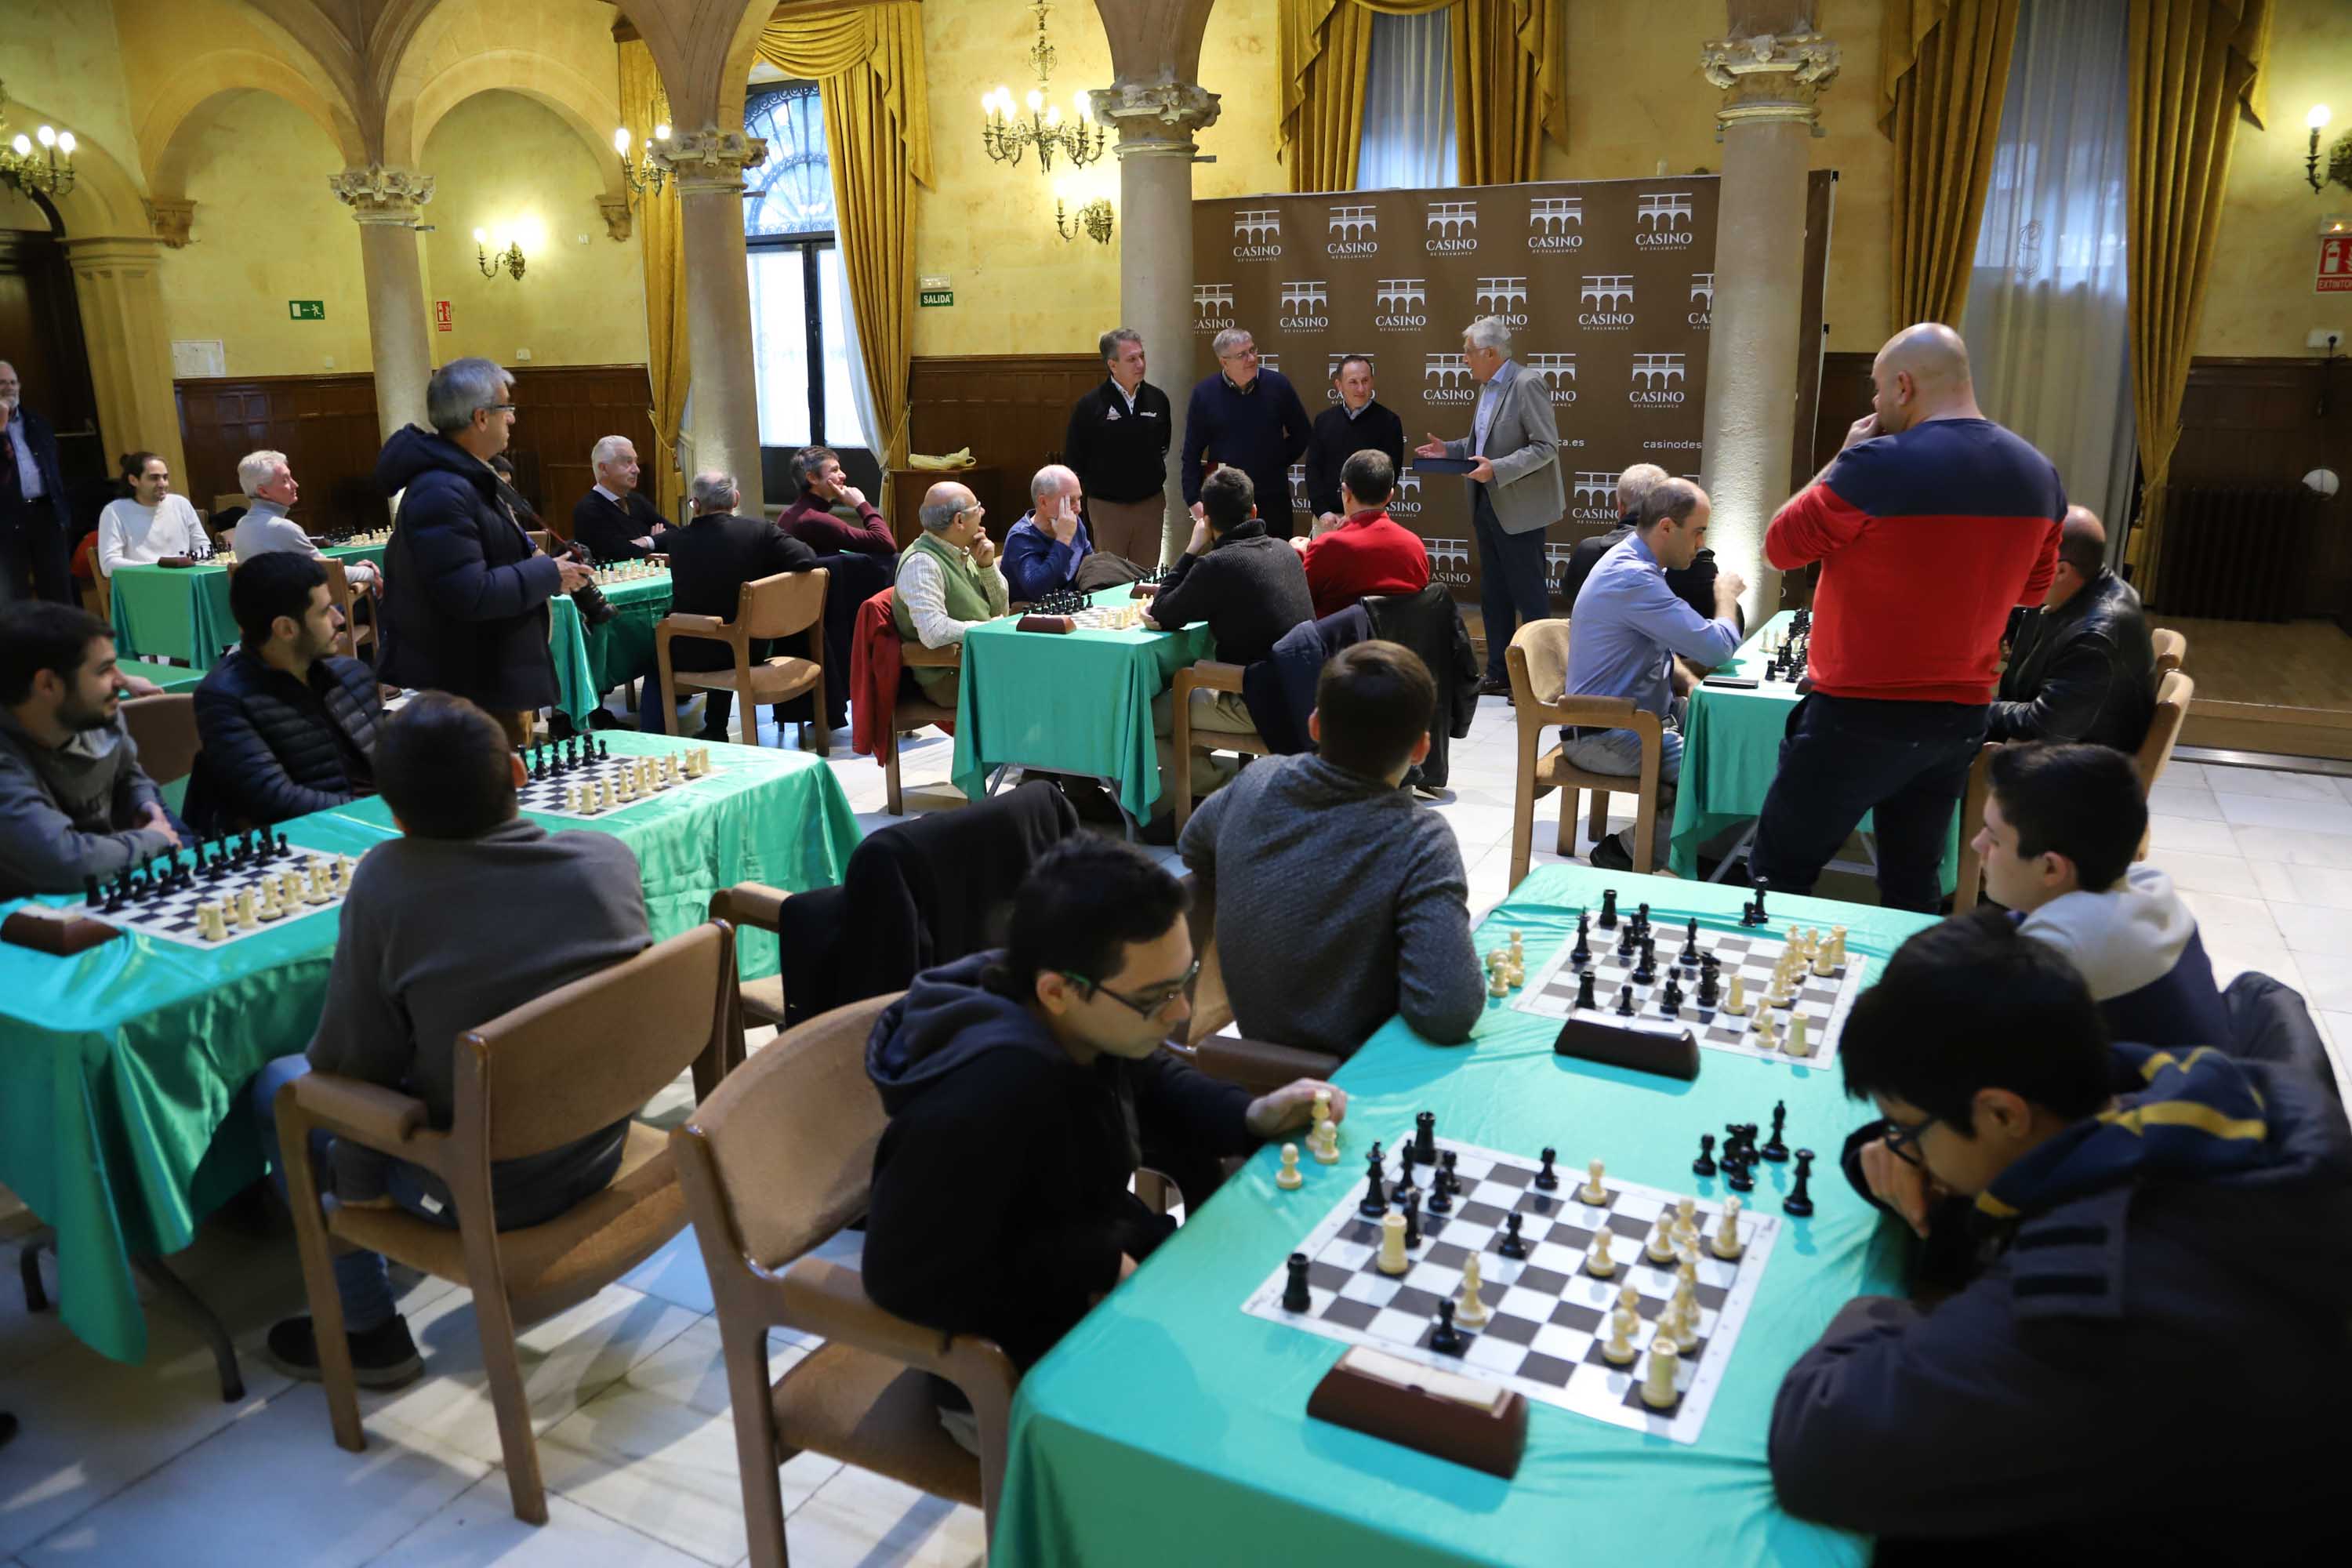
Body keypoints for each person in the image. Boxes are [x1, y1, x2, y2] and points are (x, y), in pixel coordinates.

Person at [1768, 914, 2352, 1561]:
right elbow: (1993, 1172)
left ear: (2001, 1113)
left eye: (1909, 1130)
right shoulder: (2191, 1095)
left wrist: (1875, 1309)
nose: (1905, 1151)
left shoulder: (2086, 1310)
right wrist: (1915, 1154)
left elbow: (1819, 1442)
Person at [250, 693, 652, 1387]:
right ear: (520, 776)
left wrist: (363, 1189)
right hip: (601, 1144)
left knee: (279, 1087)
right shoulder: (607, 858)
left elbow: (346, 1069)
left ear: (395, 816)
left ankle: (368, 1330)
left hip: (483, 1182)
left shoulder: (388, 881)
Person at [862, 834, 1344, 1392]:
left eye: (1184, 981)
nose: (1182, 1012)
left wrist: (1250, 1115)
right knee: (1259, 1401)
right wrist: (1090, 1266)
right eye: (1156, 997)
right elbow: (900, 1275)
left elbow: (1148, 1077)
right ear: (1058, 991)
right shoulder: (988, 1093)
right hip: (1012, 1370)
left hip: (1096, 1271)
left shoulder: (1069, 1016)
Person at [1749, 323, 2063, 913]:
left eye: (1875, 390)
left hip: (1856, 713)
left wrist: (1840, 458)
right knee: (1911, 880)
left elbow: (1781, 545)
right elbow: (2033, 590)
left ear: (1902, 385)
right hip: (1958, 716)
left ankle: (1775, 1000)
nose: (1874, 405)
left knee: (1779, 874)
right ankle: (1906, 996)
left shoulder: (1874, 464)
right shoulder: (2039, 474)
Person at [1180, 641, 1483, 1058]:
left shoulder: (1255, 782)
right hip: (1361, 1081)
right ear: (1421, 749)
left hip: (1252, 1058)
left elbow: (1193, 848)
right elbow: (1449, 1013)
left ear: (1316, 725)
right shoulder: (1421, 839)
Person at [376, 358, 593, 751]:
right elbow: (468, 593)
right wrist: (547, 574)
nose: (512, 418)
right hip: (473, 683)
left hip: (491, 673)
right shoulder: (441, 490)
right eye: (506, 408)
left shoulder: (467, 479)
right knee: (493, 799)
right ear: (480, 417)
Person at [1973, 741, 2227, 1048]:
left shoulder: (2060, 946)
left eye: (1994, 838)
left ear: (2051, 868)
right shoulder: (2146, 883)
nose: (1977, 844)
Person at [1561, 478, 1744, 869]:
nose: (1700, 544)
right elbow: (1716, 646)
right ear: (1666, 527)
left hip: (1641, 717)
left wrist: (1690, 684)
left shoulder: (1640, 564)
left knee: (1736, 742)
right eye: (1697, 533)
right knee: (1718, 771)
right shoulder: (1634, 577)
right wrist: (1724, 598)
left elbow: (1659, 648)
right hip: (1606, 732)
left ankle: (1704, 851)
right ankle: (1627, 851)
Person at [183, 552, 383, 835]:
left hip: (382, 825)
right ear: (286, 629)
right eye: (325, 611)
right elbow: (273, 800)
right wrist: (377, 814)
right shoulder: (226, 697)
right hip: (312, 843)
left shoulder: (353, 675)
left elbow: (391, 765)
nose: (340, 618)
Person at [1414, 316, 1563, 695]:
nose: (1464, 360)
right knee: (1494, 593)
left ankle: (1538, 681)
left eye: (1468, 353)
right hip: (1485, 502)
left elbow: (1545, 447)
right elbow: (1485, 441)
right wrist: (1450, 450)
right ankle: (1499, 673)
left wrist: (1496, 469)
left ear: (1490, 353)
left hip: (1518, 507)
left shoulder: (1528, 384)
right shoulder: (1488, 388)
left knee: (1529, 596)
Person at [0, 601, 178, 895]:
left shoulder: (96, 714)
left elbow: (128, 772)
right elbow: (64, 861)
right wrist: (152, 840)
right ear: (47, 684)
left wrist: (143, 803)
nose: (122, 682)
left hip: (111, 885)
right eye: (105, 670)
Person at [639, 470, 819, 739]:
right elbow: (807, 559)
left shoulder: (678, 541)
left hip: (692, 650)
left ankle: (652, 738)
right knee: (725, 622)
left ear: (696, 505)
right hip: (749, 646)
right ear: (735, 499)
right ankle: (714, 728)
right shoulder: (761, 531)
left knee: (653, 657)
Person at [1987, 507, 2155, 753]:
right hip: (2061, 749)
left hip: (2076, 771)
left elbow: (2042, 726)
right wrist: (2006, 626)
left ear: (2061, 570)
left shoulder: (2096, 637)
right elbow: (2033, 611)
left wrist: (1977, 707)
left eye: (2025, 560)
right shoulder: (2084, 585)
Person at [1556, 462, 1730, 629]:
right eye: (1697, 533)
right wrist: (1725, 594)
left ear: (1620, 507)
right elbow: (1722, 641)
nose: (1699, 543)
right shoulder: (1634, 568)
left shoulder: (1589, 552)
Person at [1181, 328, 1312, 541]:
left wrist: (1275, 461)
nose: (1251, 358)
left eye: (1252, 350)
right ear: (1224, 362)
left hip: (1272, 497)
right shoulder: (1204, 393)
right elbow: (1191, 451)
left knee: (1276, 563)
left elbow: (1303, 433)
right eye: (1242, 355)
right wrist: (1193, 499)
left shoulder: (1278, 385)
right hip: (1227, 500)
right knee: (1231, 567)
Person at [1063, 328, 1173, 565]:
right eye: (1132, 359)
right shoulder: (1090, 405)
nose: (1140, 364)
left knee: (1146, 577)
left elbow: (1164, 445)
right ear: (1113, 365)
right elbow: (1075, 457)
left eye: (1142, 356)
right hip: (1107, 507)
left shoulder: (1158, 400)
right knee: (1110, 575)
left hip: (1150, 504)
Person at [893, 481, 1008, 707]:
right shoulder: (922, 563)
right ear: (959, 521)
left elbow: (1001, 610)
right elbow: (933, 632)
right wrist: (986, 629)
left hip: (982, 660)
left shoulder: (965, 550)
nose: (982, 513)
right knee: (1039, 683)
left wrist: (987, 568)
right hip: (951, 676)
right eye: (977, 509)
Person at [1294, 449, 1429, 619]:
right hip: (1398, 643)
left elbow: (1299, 603)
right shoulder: (1415, 546)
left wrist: (1298, 555)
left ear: (1346, 492)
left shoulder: (1328, 547)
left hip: (1341, 643)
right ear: (1390, 495)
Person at [227, 449, 380, 590]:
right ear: (263, 492)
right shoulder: (282, 527)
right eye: (285, 480)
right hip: (301, 616)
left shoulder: (242, 525)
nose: (295, 484)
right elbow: (331, 575)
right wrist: (368, 572)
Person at [0, 359, 76, 604]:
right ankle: (19, 642)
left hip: (45, 514)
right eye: (2, 383)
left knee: (58, 588)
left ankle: (62, 641)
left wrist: (62, 514)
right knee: (13, 594)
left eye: (13, 382)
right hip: (6, 519)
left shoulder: (38, 423)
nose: (9, 388)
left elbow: (53, 469)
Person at [1302, 354, 1405, 535]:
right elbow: (1313, 469)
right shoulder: (1324, 421)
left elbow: (1390, 475)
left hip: (1369, 522)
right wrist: (1323, 512)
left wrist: (1357, 515)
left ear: (1372, 382)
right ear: (1339, 385)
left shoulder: (1389, 422)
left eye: (1365, 381)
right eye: (1353, 382)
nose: (1361, 388)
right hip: (1327, 521)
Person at [96, 451, 207, 575]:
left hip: (186, 580)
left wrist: (184, 564)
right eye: (154, 478)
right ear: (133, 480)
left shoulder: (181, 504)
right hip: (143, 585)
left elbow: (204, 548)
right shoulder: (114, 511)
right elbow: (109, 565)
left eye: (165, 477)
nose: (162, 484)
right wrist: (159, 568)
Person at [776, 445, 897, 557]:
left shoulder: (790, 513)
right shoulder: (814, 519)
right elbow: (886, 543)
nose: (843, 475)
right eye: (834, 470)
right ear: (812, 478)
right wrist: (861, 504)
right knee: (893, 560)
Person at [569, 435, 672, 561]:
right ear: (604, 468)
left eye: (635, 461)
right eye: (628, 462)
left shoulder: (637, 500)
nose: (637, 470)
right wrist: (656, 540)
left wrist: (645, 541)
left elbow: (675, 533)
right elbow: (621, 554)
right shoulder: (588, 510)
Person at [1001, 464, 1093, 601]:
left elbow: (1090, 566)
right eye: (1070, 501)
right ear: (1043, 502)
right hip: (1035, 618)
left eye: (1079, 499)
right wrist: (1063, 539)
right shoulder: (1021, 537)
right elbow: (1039, 590)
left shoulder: (1075, 523)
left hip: (1074, 607)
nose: (1078, 508)